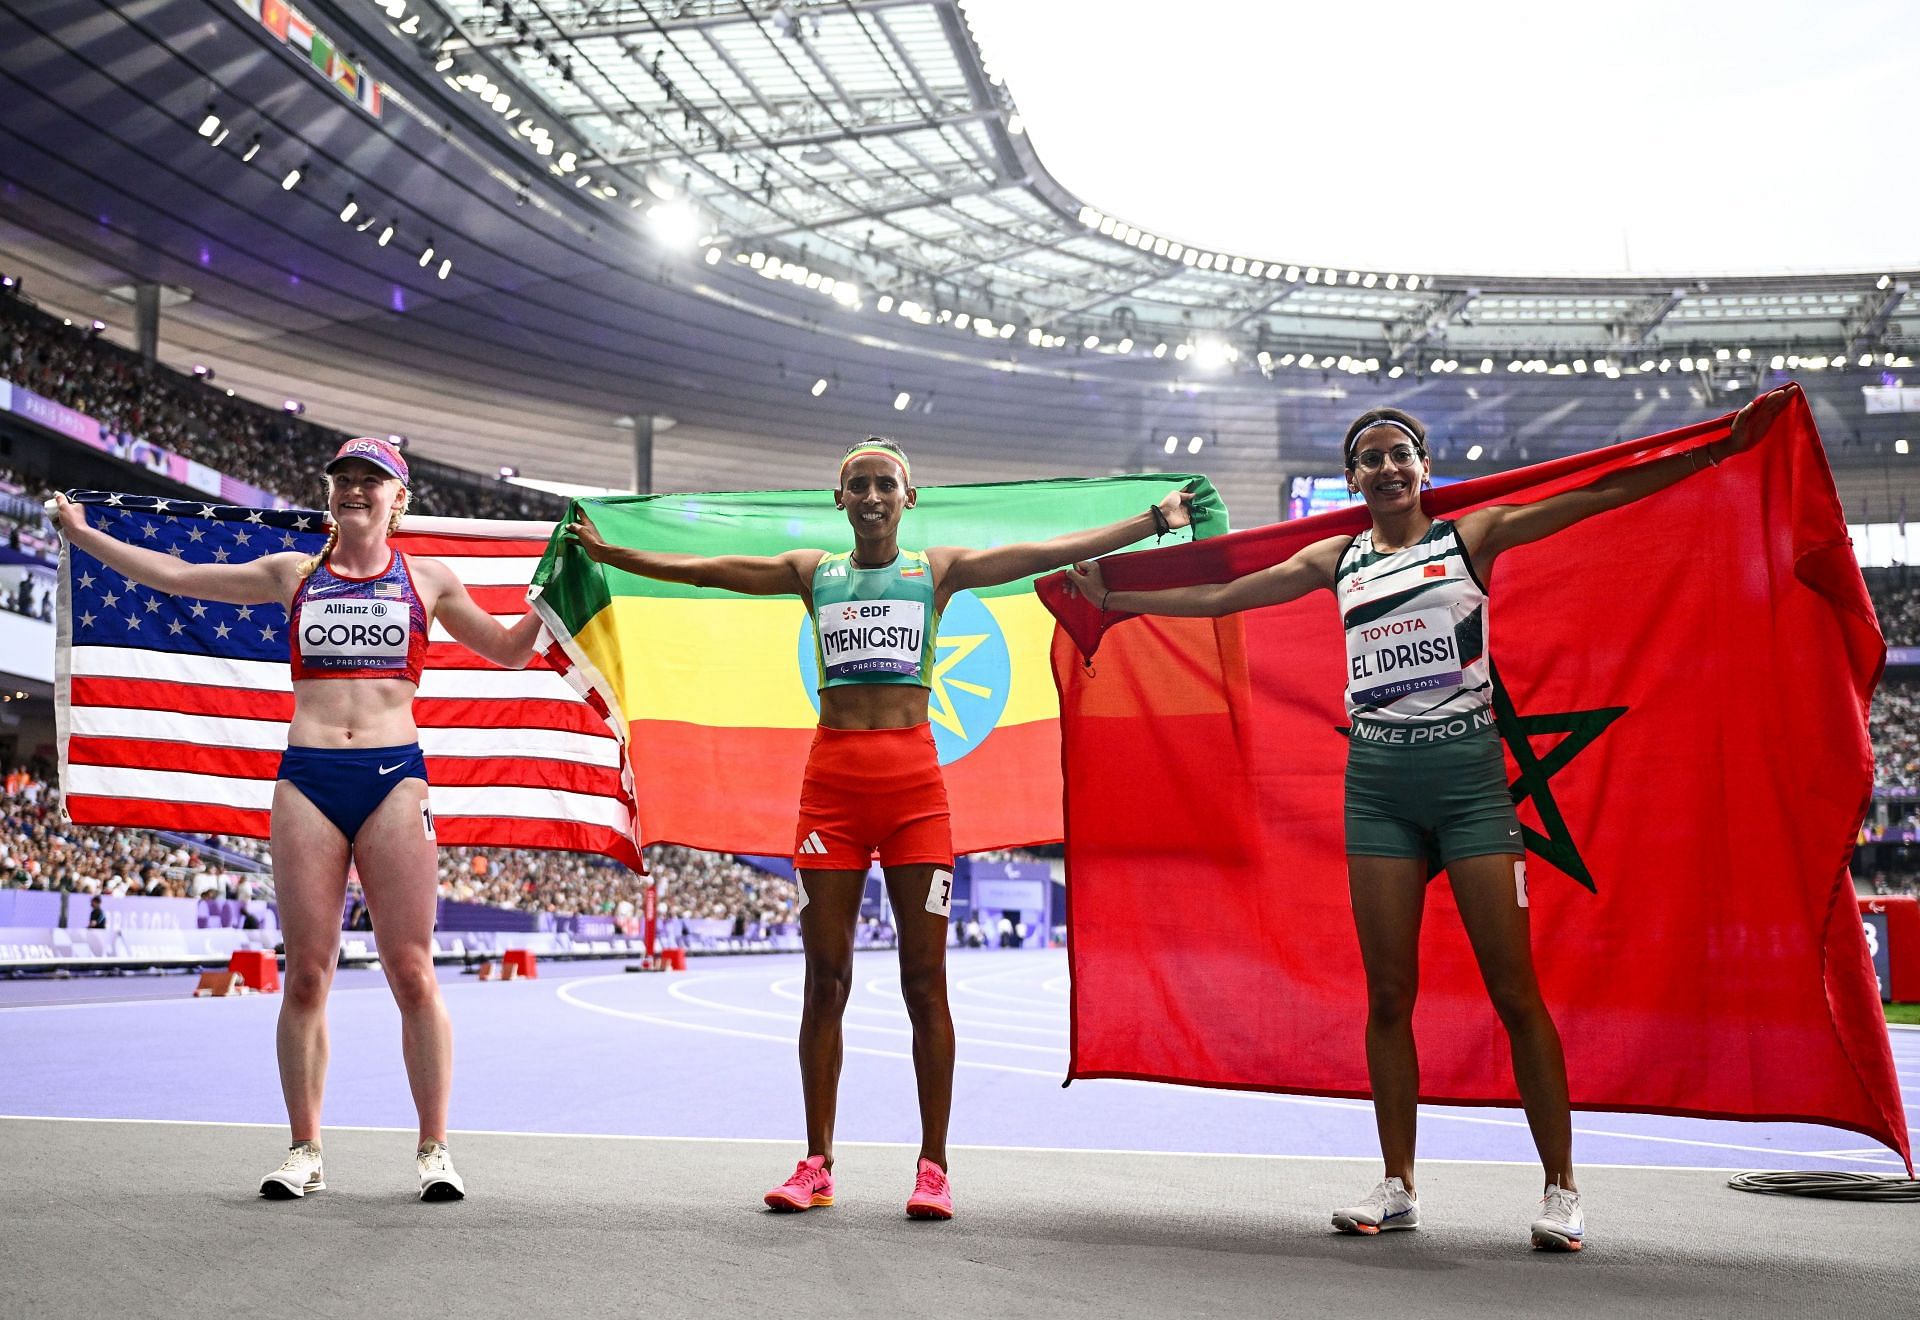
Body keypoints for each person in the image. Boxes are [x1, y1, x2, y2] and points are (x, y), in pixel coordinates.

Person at [1066, 390, 1789, 1253]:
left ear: (1423, 469)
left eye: (1397, 454)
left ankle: (1561, 1188)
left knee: (1514, 991)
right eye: (1367, 459)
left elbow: (1591, 497)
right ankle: (1398, 1183)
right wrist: (1119, 601)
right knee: (1388, 997)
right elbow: (1226, 594)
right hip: (1377, 787)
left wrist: (1710, 453)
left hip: (1470, 784)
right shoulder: (1334, 559)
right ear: (1353, 479)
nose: (1384, 468)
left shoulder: (1469, 539)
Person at [569, 436, 1196, 1220]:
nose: (871, 496)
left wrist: (1150, 521)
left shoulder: (936, 572)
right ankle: (815, 1163)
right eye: (857, 485)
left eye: (884, 485)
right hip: (829, 793)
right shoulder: (812, 573)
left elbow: (1051, 551)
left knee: (923, 982)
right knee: (823, 980)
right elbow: (707, 571)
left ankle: (934, 1167)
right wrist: (613, 553)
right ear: (840, 501)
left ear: (909, 498)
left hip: (915, 796)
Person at [52, 436, 544, 1202]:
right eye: (344, 479)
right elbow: (180, 576)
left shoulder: (429, 579)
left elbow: (512, 651)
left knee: (411, 972)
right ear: (331, 493)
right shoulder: (294, 573)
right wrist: (86, 537)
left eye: (371, 482)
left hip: (393, 781)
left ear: (398, 500)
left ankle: (435, 1149)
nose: (355, 491)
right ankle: (305, 1149)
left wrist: (562, 590)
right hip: (308, 780)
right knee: (306, 974)